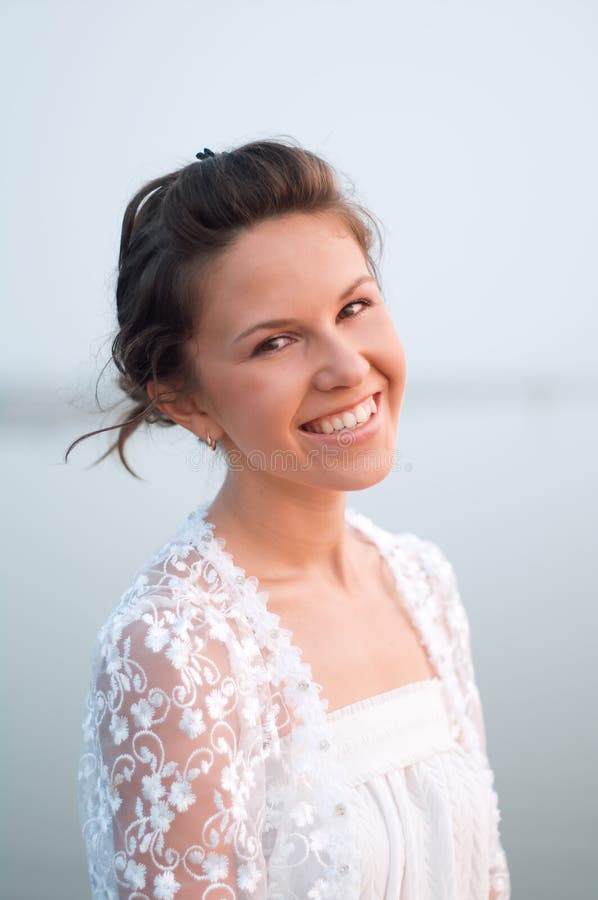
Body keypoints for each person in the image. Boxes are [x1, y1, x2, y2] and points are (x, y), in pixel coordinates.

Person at [70, 139, 511, 899]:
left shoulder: (421, 582)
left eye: (355, 307)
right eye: (276, 341)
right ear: (184, 398)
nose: (346, 368)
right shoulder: (176, 649)